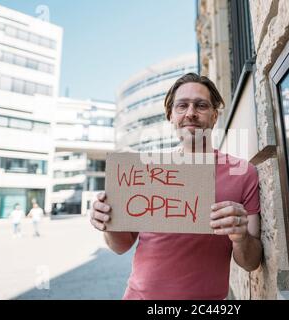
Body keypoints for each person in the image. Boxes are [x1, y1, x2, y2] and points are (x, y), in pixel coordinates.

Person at [90, 73, 262, 300]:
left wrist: (241, 238)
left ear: (214, 116)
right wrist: (107, 223)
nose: (190, 113)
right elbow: (119, 246)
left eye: (201, 105)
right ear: (171, 116)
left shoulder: (243, 173)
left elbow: (251, 263)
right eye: (182, 106)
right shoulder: (147, 172)